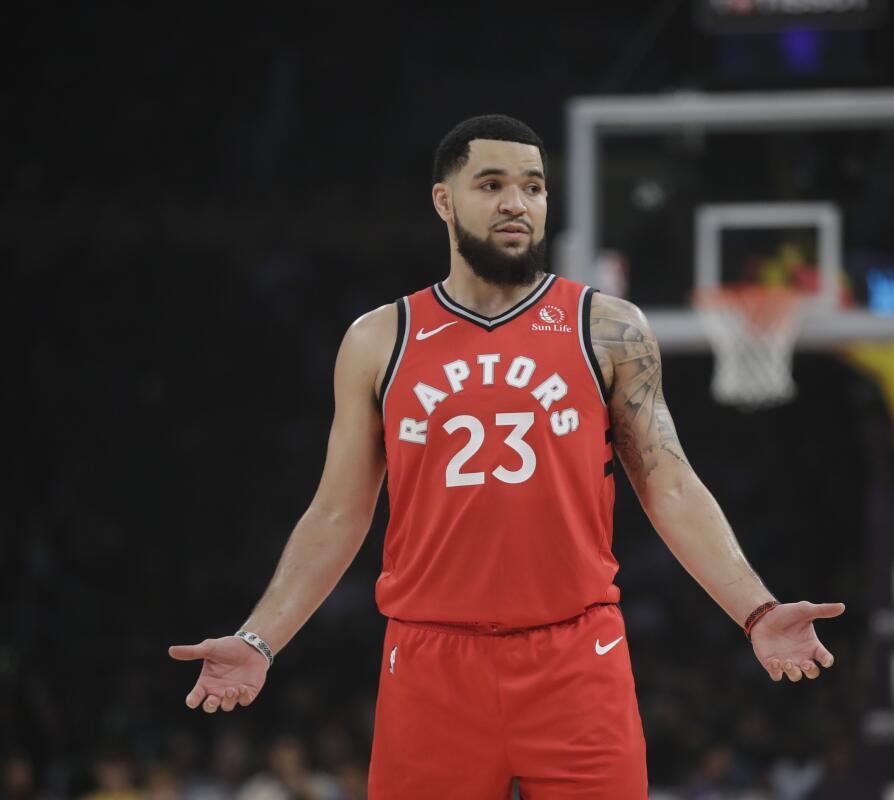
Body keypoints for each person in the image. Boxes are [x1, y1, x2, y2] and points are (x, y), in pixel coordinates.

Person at [168, 114, 845, 797]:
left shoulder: (608, 327)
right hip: (431, 664)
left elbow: (668, 482)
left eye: (534, 187)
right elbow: (339, 512)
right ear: (444, 200)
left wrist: (756, 610)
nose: (516, 203)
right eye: (491, 184)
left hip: (578, 657)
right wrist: (260, 639)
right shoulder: (379, 340)